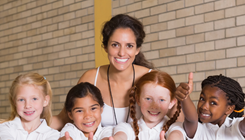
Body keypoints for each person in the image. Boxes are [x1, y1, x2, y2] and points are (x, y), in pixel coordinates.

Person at [51, 14, 182, 131]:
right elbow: (64, 118)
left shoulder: (151, 79)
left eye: (129, 46)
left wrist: (183, 99)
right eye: (115, 45)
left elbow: (179, 121)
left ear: (137, 49)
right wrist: (32, 123)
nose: (122, 52)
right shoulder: (91, 78)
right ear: (105, 47)